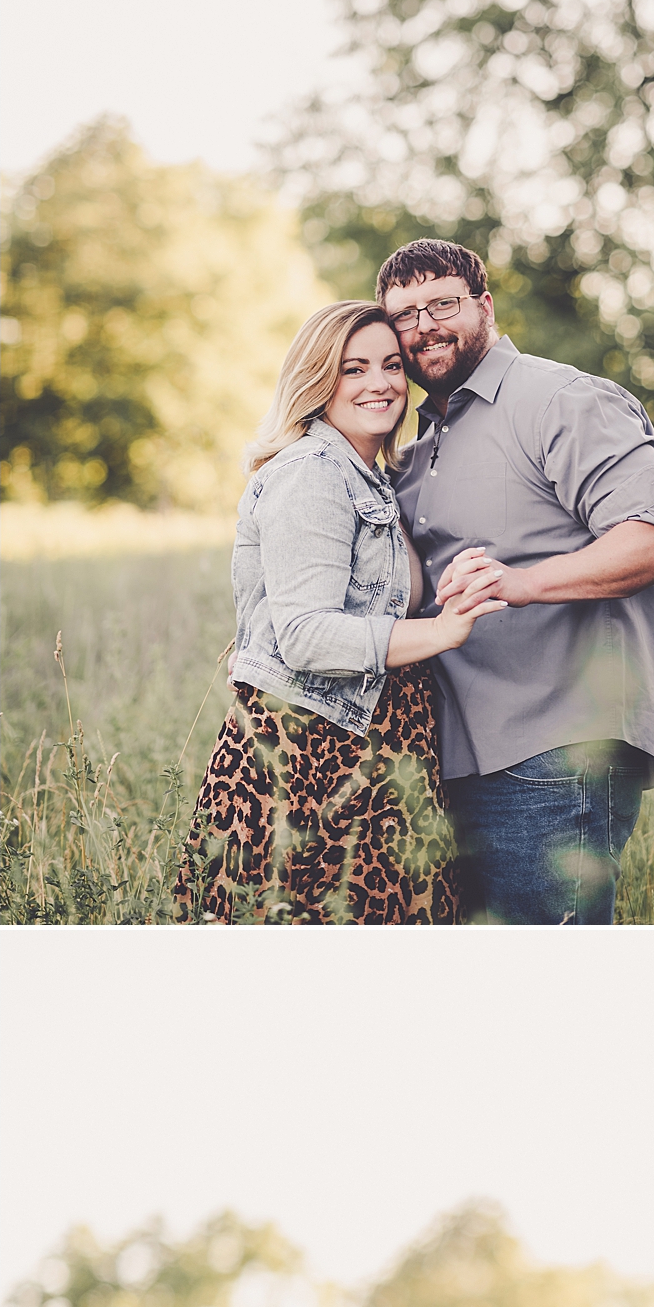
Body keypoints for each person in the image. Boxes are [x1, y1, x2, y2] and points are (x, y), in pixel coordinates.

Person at [377, 240, 654, 924]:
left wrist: (519, 584)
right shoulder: (418, 445)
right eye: (404, 315)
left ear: (484, 306)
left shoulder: (560, 399)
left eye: (442, 302)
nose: (425, 325)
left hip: (556, 756)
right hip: (458, 761)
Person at [174, 302, 505, 924]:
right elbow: (304, 636)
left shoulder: (370, 474)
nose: (379, 383)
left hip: (371, 753)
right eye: (353, 369)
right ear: (318, 379)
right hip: (306, 757)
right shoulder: (315, 474)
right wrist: (441, 630)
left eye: (390, 365)